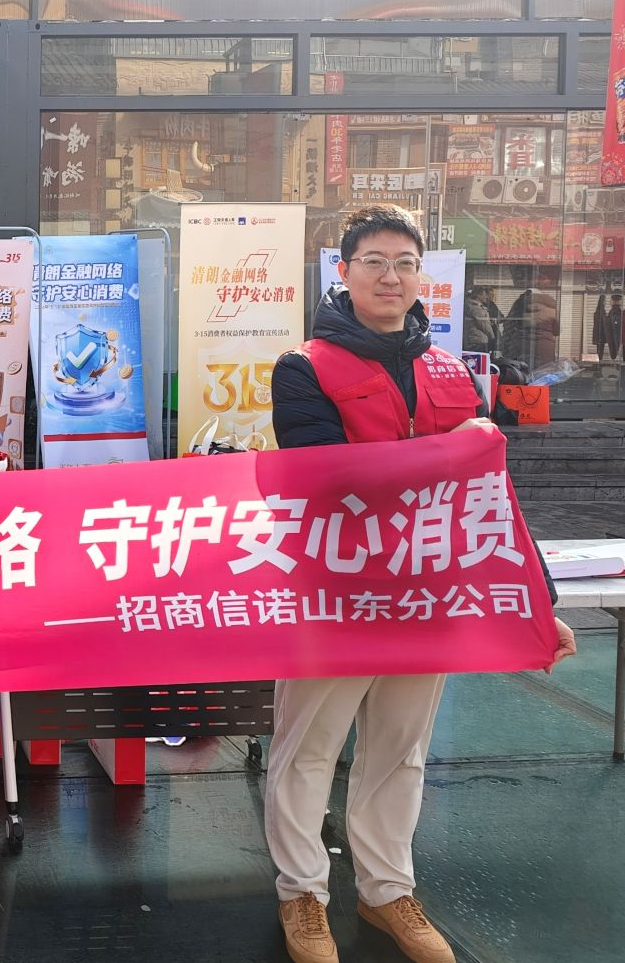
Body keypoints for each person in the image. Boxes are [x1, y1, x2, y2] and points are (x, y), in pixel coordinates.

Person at [266, 206, 575, 963]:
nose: (390, 276)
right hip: (336, 594)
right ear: (343, 272)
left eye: (405, 263)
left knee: (401, 749)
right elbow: (326, 478)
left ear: (421, 277)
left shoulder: (450, 372)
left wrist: (540, 603)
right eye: (374, 261)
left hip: (425, 594)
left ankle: (387, 892)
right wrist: (447, 454)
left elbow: (490, 497)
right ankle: (302, 895)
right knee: (308, 748)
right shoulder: (302, 367)